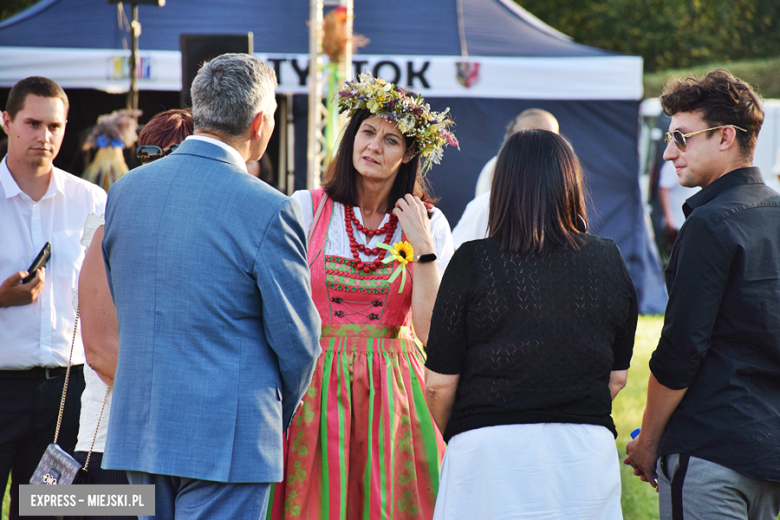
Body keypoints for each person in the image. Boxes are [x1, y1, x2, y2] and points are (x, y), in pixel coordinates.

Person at [100, 53, 322, 520]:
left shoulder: (125, 192)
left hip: (142, 425)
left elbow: (130, 305)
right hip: (229, 434)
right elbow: (299, 342)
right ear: (260, 122)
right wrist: (270, 412)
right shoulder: (269, 207)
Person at [267, 72, 458, 520]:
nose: (373, 146)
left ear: (409, 153)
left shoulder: (430, 223)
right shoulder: (305, 208)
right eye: (367, 132)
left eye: (391, 140)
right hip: (313, 386)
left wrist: (423, 249)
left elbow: (433, 332)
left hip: (397, 392)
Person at [425, 130, 638, 520]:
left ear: (502, 186)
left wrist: (466, 431)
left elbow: (439, 383)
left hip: (486, 455)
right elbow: (617, 377)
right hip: (583, 455)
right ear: (571, 184)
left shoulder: (473, 261)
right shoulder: (608, 259)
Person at [624, 70, 780, 519]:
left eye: (681, 137)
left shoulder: (710, 224)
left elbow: (680, 351)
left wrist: (648, 441)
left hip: (711, 451)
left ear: (726, 136)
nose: (671, 151)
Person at [70, 108, 196, 520]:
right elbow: (102, 351)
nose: (158, 165)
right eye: (148, 153)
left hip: (180, 452)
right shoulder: (107, 224)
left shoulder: (204, 235)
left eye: (173, 154)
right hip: (110, 446)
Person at [0, 76, 106, 519]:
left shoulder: (91, 200)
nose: (44, 136)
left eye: (55, 126)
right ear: (6, 122)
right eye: (32, 123)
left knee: (49, 512)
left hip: (66, 392)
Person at [452, 108, 559, 248]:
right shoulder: (483, 207)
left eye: (547, 138)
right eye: (528, 136)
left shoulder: (565, 207)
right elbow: (454, 258)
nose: (537, 146)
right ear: (510, 144)